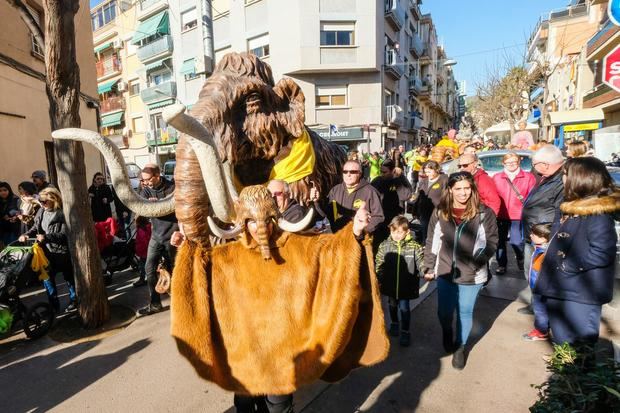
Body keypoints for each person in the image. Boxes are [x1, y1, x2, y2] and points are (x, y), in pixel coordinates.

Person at [534, 157, 619, 351]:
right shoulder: (570, 206)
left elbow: (602, 253)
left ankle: (573, 380)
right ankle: (564, 377)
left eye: (565, 175)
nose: (562, 178)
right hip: (560, 288)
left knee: (579, 349)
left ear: (581, 179)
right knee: (563, 343)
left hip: (580, 293)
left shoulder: (598, 214)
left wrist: (566, 266)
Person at [423, 172, 498, 370]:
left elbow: (492, 242)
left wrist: (477, 263)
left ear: (472, 189)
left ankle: (460, 347)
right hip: (446, 271)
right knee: (444, 312)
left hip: (472, 274)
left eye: (467, 188)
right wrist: (429, 264)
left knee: (465, 311)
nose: (463, 193)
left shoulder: (484, 213)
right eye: (458, 189)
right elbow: (432, 239)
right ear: (450, 190)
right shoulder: (441, 211)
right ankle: (447, 331)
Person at [520, 145, 564, 314]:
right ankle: (536, 304)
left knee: (542, 275)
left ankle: (543, 310)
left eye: (535, 164)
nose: (534, 169)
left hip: (544, 238)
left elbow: (560, 211)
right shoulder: (548, 177)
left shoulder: (560, 181)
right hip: (534, 235)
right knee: (531, 271)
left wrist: (548, 234)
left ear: (545, 164)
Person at [19, 188, 77, 312]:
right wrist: (27, 234)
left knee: (69, 278)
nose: (42, 203)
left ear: (53, 199)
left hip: (61, 252)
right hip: (45, 253)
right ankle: (53, 307)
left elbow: (65, 234)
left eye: (44, 201)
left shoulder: (63, 213)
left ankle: (74, 300)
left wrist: (47, 237)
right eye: (40, 201)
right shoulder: (41, 211)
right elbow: (35, 227)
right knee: (48, 280)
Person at [375, 215, 424, 347]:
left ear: (407, 232)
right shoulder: (385, 245)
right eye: (393, 231)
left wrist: (426, 271)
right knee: (392, 305)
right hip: (389, 285)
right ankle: (395, 323)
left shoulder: (414, 246)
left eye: (399, 232)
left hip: (406, 286)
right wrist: (379, 278)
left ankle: (405, 331)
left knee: (404, 308)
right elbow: (379, 262)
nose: (396, 235)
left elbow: (421, 262)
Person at [138, 164, 178, 315]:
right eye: (143, 180)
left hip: (172, 235)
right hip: (156, 236)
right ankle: (155, 304)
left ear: (157, 176)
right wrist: (149, 205)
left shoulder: (172, 188)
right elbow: (141, 205)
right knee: (149, 268)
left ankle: (179, 301)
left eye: (148, 179)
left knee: (175, 269)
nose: (145, 182)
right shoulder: (145, 190)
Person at [492, 152, 536, 274]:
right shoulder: (496, 177)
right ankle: (501, 265)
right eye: (508, 162)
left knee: (516, 241)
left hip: (518, 214)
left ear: (519, 162)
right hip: (500, 214)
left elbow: (532, 197)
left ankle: (520, 258)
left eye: (514, 162)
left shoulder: (528, 177)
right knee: (500, 242)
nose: (511, 164)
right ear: (503, 163)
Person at [325, 160, 384, 235]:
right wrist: (316, 201)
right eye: (345, 171)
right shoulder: (335, 190)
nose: (348, 174)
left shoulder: (370, 192)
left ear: (359, 173)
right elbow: (326, 213)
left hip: (360, 238)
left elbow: (378, 217)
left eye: (352, 172)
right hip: (339, 237)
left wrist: (361, 232)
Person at [371, 159, 412, 246]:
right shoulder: (377, 181)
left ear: (392, 171)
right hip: (380, 218)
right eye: (381, 171)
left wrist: (397, 179)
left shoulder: (400, 180)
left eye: (385, 172)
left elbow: (406, 195)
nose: (382, 174)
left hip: (395, 218)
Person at [522, 223, 551, 341]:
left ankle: (541, 331)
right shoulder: (539, 248)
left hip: (540, 288)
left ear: (544, 237)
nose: (531, 235)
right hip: (538, 286)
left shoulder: (544, 253)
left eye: (534, 234)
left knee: (540, 310)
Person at [414, 160, 447, 243]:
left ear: (436, 170)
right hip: (424, 212)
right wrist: (415, 210)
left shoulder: (444, 179)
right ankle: (425, 247)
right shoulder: (423, 181)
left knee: (437, 233)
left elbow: (447, 196)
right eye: (426, 172)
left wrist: (444, 209)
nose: (427, 174)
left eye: (429, 172)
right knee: (425, 232)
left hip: (438, 211)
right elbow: (419, 196)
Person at [0, 182, 21, 247]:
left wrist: (10, 215)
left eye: (5, 190)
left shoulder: (15, 199)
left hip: (13, 230)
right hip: (2, 230)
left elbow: (19, 211)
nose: (3, 192)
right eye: (0, 191)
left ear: (9, 190)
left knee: (12, 249)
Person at [133, 216, 152, 288]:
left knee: (143, 266)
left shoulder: (142, 230)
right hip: (146, 251)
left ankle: (142, 279)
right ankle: (144, 278)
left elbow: (145, 241)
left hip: (144, 251)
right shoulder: (148, 227)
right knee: (145, 265)